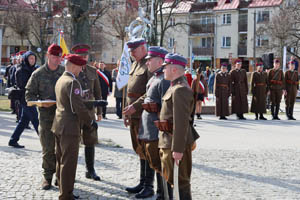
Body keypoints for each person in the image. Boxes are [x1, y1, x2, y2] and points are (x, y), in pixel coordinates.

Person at [51, 54, 97, 200]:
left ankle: (62, 188)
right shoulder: (72, 82)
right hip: (70, 127)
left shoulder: (60, 79)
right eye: (79, 66)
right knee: (69, 162)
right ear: (72, 66)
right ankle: (66, 195)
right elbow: (78, 107)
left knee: (60, 160)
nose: (81, 70)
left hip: (58, 125)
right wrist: (90, 122)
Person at [158, 53, 199, 200]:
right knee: (171, 180)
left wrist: (178, 149)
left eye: (165, 67)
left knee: (180, 182)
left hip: (174, 143)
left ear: (174, 69)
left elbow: (181, 123)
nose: (163, 70)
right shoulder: (174, 87)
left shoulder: (180, 89)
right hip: (167, 141)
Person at [25, 44, 64, 190]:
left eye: (59, 57)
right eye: (54, 57)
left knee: (62, 148)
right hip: (46, 117)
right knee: (48, 148)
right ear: (48, 56)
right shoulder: (38, 74)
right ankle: (47, 177)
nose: (57, 60)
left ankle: (61, 177)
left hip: (63, 117)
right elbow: (29, 94)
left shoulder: (64, 72)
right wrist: (40, 103)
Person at [138, 46, 172, 199]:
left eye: (149, 60)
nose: (147, 63)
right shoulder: (154, 77)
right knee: (153, 161)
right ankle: (159, 191)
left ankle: (163, 194)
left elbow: (166, 106)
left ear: (159, 61)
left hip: (156, 128)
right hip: (148, 127)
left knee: (160, 163)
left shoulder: (164, 79)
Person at [122, 38, 153, 196]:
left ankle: (149, 185)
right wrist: (126, 112)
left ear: (143, 48)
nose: (132, 53)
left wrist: (135, 107)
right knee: (139, 149)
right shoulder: (134, 64)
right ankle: (142, 182)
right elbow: (128, 90)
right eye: (131, 51)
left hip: (143, 114)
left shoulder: (149, 65)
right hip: (133, 115)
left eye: (134, 50)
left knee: (147, 150)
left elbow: (150, 92)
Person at [71, 44, 103, 181]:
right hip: (75, 112)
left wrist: (99, 111)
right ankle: (69, 172)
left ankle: (90, 170)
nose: (84, 58)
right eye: (81, 56)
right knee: (72, 143)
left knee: (90, 141)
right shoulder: (71, 70)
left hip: (89, 111)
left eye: (85, 56)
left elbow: (98, 92)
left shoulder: (92, 71)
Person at [8, 51, 39, 148]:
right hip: (25, 98)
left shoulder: (33, 69)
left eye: (34, 58)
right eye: (30, 58)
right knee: (35, 120)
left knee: (24, 121)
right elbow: (23, 85)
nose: (32, 60)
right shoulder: (21, 70)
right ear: (26, 59)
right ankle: (46, 142)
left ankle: (13, 140)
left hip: (31, 98)